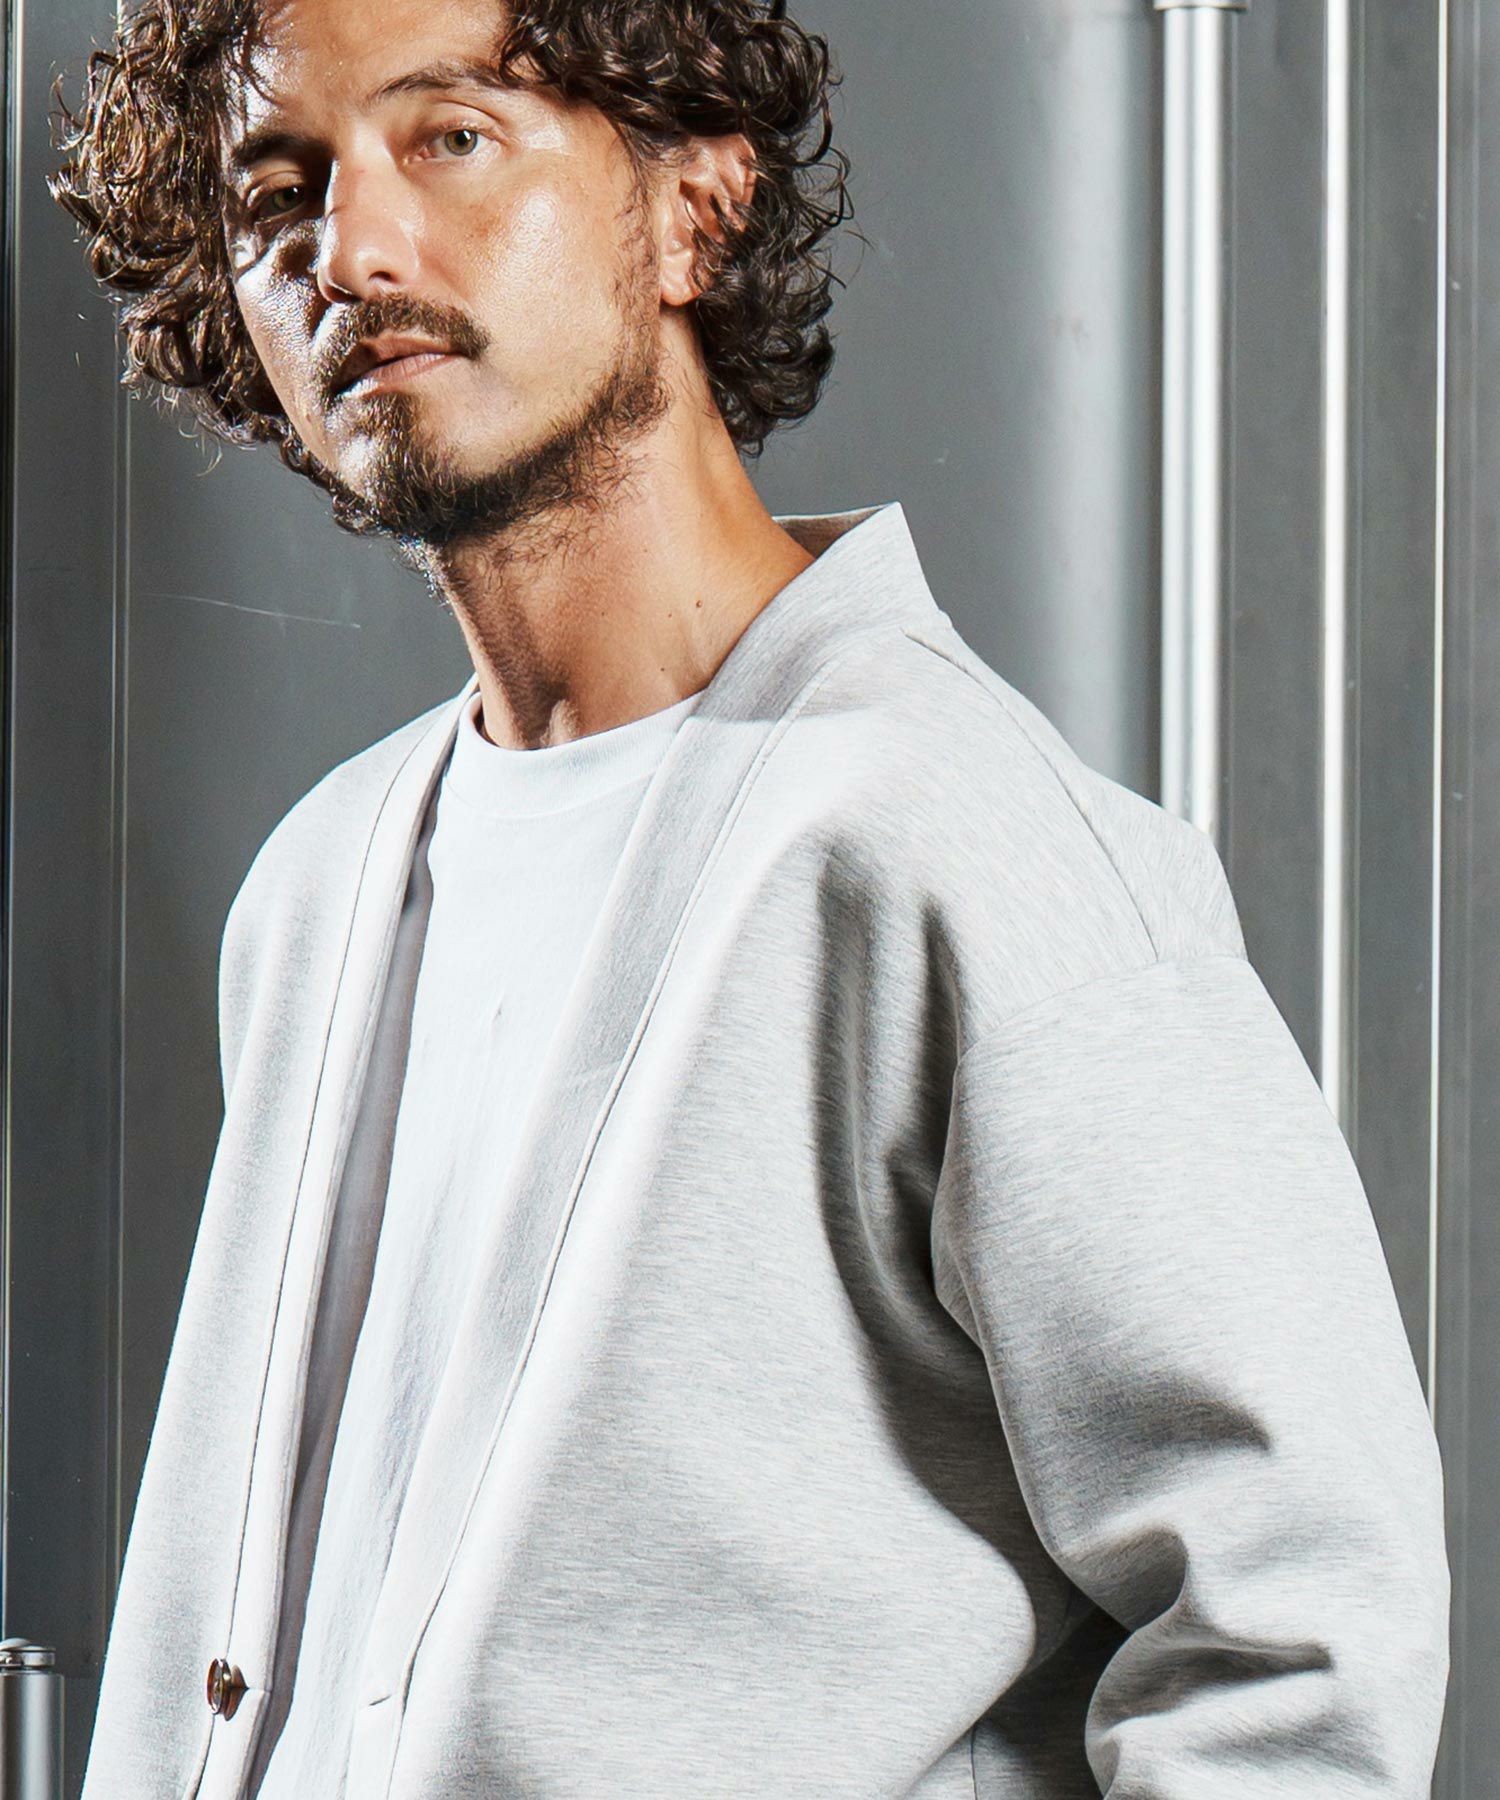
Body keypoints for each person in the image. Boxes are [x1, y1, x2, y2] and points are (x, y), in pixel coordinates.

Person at [53, 0, 1449, 1795]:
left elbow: (1304, 1637)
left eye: (452, 138)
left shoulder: (958, 843)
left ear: (694, 212)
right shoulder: (318, 888)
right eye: (279, 189)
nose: (356, 249)